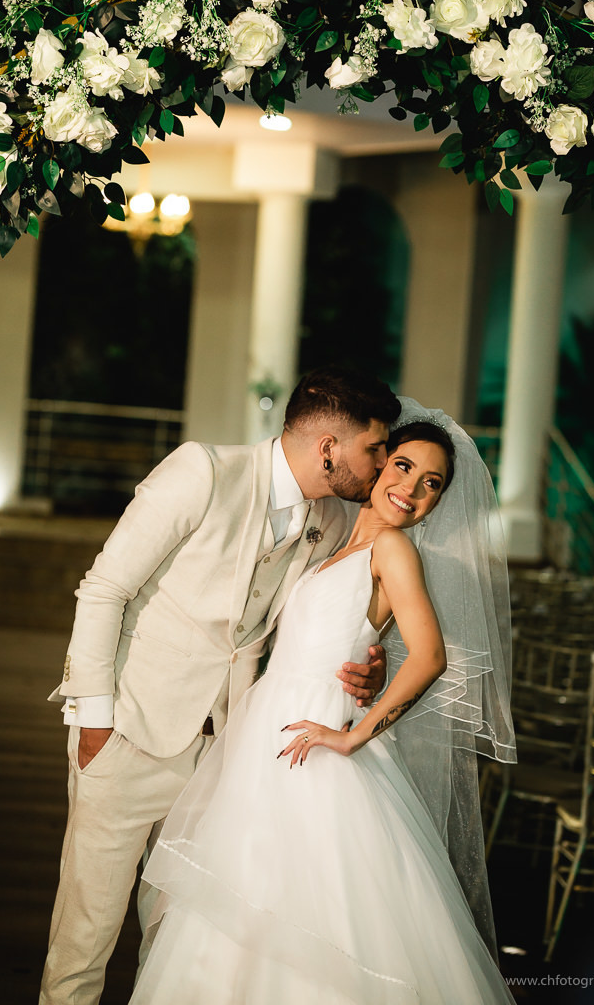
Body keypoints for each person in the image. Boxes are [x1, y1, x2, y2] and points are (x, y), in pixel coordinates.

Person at [131, 406, 516, 1004]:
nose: (411, 489)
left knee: (304, 907)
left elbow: (430, 657)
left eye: (431, 483)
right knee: (250, 894)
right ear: (380, 463)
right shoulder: (337, 541)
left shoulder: (394, 548)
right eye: (403, 466)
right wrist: (371, 663)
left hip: (316, 743)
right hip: (269, 732)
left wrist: (354, 734)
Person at [39, 367, 401, 1004]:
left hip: (226, 759)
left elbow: (314, 623)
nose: (381, 465)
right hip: (130, 735)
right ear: (329, 447)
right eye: (374, 448)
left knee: (178, 943)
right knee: (85, 940)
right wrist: (94, 724)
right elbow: (104, 589)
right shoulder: (203, 472)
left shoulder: (331, 519)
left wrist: (367, 665)